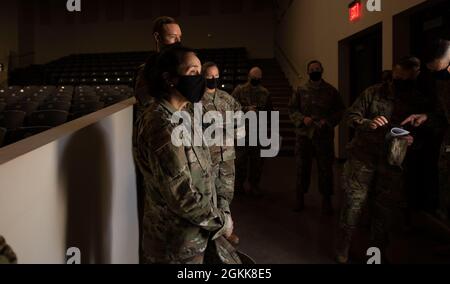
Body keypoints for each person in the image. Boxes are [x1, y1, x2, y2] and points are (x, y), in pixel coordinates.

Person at [134, 45, 241, 264]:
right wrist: (222, 223)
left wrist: (219, 209)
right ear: (170, 78)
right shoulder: (161, 125)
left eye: (200, 72)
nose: (200, 79)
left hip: (194, 235)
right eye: (193, 72)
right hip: (173, 245)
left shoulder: (185, 114)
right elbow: (182, 197)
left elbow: (204, 171)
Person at [336, 57, 425, 264]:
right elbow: (350, 115)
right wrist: (368, 122)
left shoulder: (418, 99)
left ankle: (376, 253)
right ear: (393, 75)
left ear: (416, 76)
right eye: (397, 79)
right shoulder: (373, 92)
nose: (400, 84)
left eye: (407, 80)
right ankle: (344, 247)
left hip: (392, 164)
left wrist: (413, 140)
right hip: (362, 159)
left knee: (383, 211)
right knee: (352, 205)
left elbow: (427, 133)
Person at [132, 16, 182, 262]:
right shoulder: (148, 71)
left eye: (179, 36)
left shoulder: (184, 67)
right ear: (158, 38)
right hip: (161, 146)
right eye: (173, 36)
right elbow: (147, 104)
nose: (178, 40)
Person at [402, 38, 450, 222]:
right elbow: (442, 113)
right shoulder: (442, 80)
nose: (440, 77)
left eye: (440, 71)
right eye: (433, 72)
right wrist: (426, 117)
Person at [288, 60, 345, 214]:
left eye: (317, 69)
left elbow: (340, 111)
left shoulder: (331, 91)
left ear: (322, 70)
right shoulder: (300, 90)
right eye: (312, 69)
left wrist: (328, 122)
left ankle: (326, 200)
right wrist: (302, 119)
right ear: (308, 72)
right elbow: (292, 109)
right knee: (302, 168)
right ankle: (300, 198)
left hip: (323, 136)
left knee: (326, 169)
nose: (314, 71)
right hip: (304, 136)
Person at [231, 67, 273, 197]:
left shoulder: (265, 93)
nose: (255, 80)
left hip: (258, 132)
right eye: (253, 78)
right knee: (239, 162)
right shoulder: (239, 90)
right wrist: (246, 109)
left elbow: (269, 113)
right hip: (242, 132)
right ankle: (238, 187)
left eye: (258, 79)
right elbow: (231, 107)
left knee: (257, 162)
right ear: (248, 76)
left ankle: (254, 185)